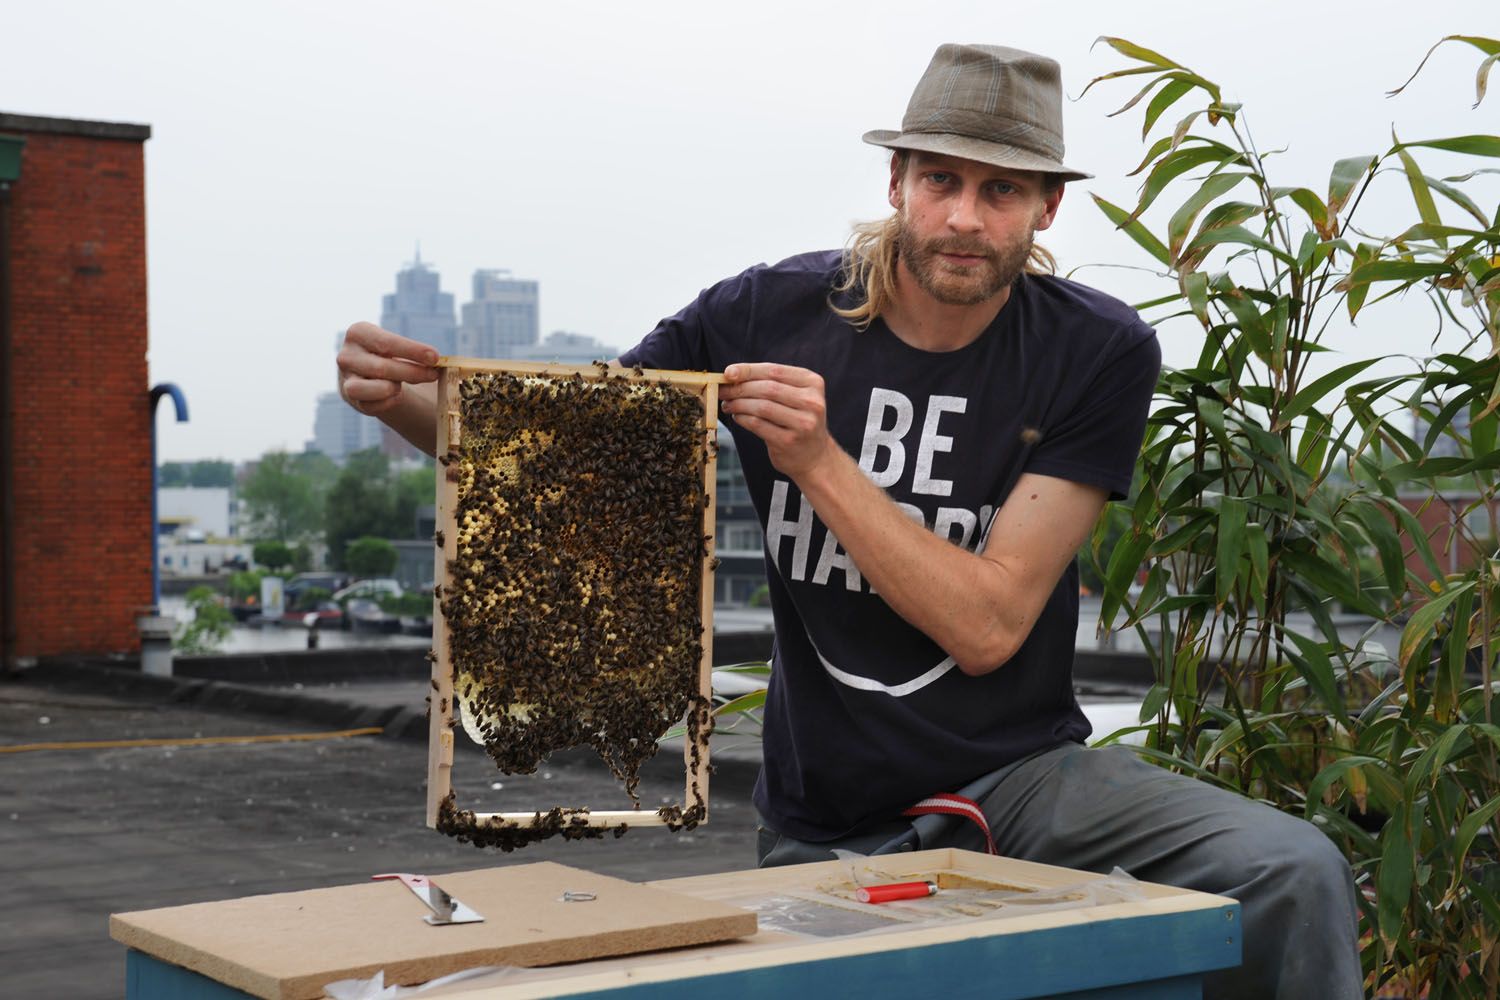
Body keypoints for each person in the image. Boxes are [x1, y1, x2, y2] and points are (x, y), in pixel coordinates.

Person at [338, 43, 1361, 1000]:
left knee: (1293, 868)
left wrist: (821, 461)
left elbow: (991, 624)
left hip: (1024, 780)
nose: (964, 217)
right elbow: (568, 460)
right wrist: (400, 403)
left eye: (1001, 190)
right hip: (828, 817)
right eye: (941, 181)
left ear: (1047, 206)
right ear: (896, 183)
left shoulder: (1094, 351)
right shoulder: (765, 315)